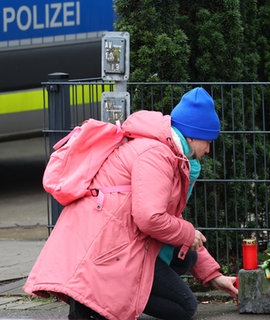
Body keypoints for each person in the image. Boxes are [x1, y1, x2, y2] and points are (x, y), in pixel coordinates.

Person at [24, 87, 238, 320]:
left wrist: (214, 275)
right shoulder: (157, 154)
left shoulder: (163, 150)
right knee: (184, 307)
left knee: (187, 255)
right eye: (207, 141)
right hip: (107, 245)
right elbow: (150, 218)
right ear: (192, 135)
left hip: (110, 240)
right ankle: (96, 305)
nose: (208, 149)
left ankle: (101, 303)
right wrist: (188, 233)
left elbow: (167, 217)